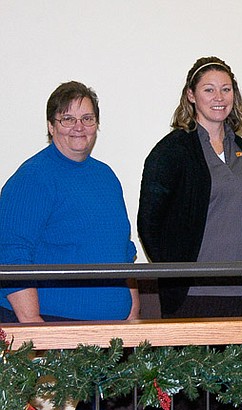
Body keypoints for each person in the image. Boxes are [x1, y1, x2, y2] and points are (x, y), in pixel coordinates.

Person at [0, 81, 139, 323]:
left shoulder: (106, 177)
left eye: (87, 118)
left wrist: (132, 311)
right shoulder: (32, 177)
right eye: (67, 119)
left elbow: (123, 252)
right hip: (52, 325)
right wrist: (33, 326)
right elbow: (12, 254)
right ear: (51, 126)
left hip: (112, 331)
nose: (79, 127)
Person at [138, 57, 242, 319]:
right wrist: (176, 274)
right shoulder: (171, 152)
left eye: (226, 89)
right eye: (209, 89)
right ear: (191, 95)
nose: (219, 97)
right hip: (192, 293)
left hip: (240, 287)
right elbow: (149, 223)